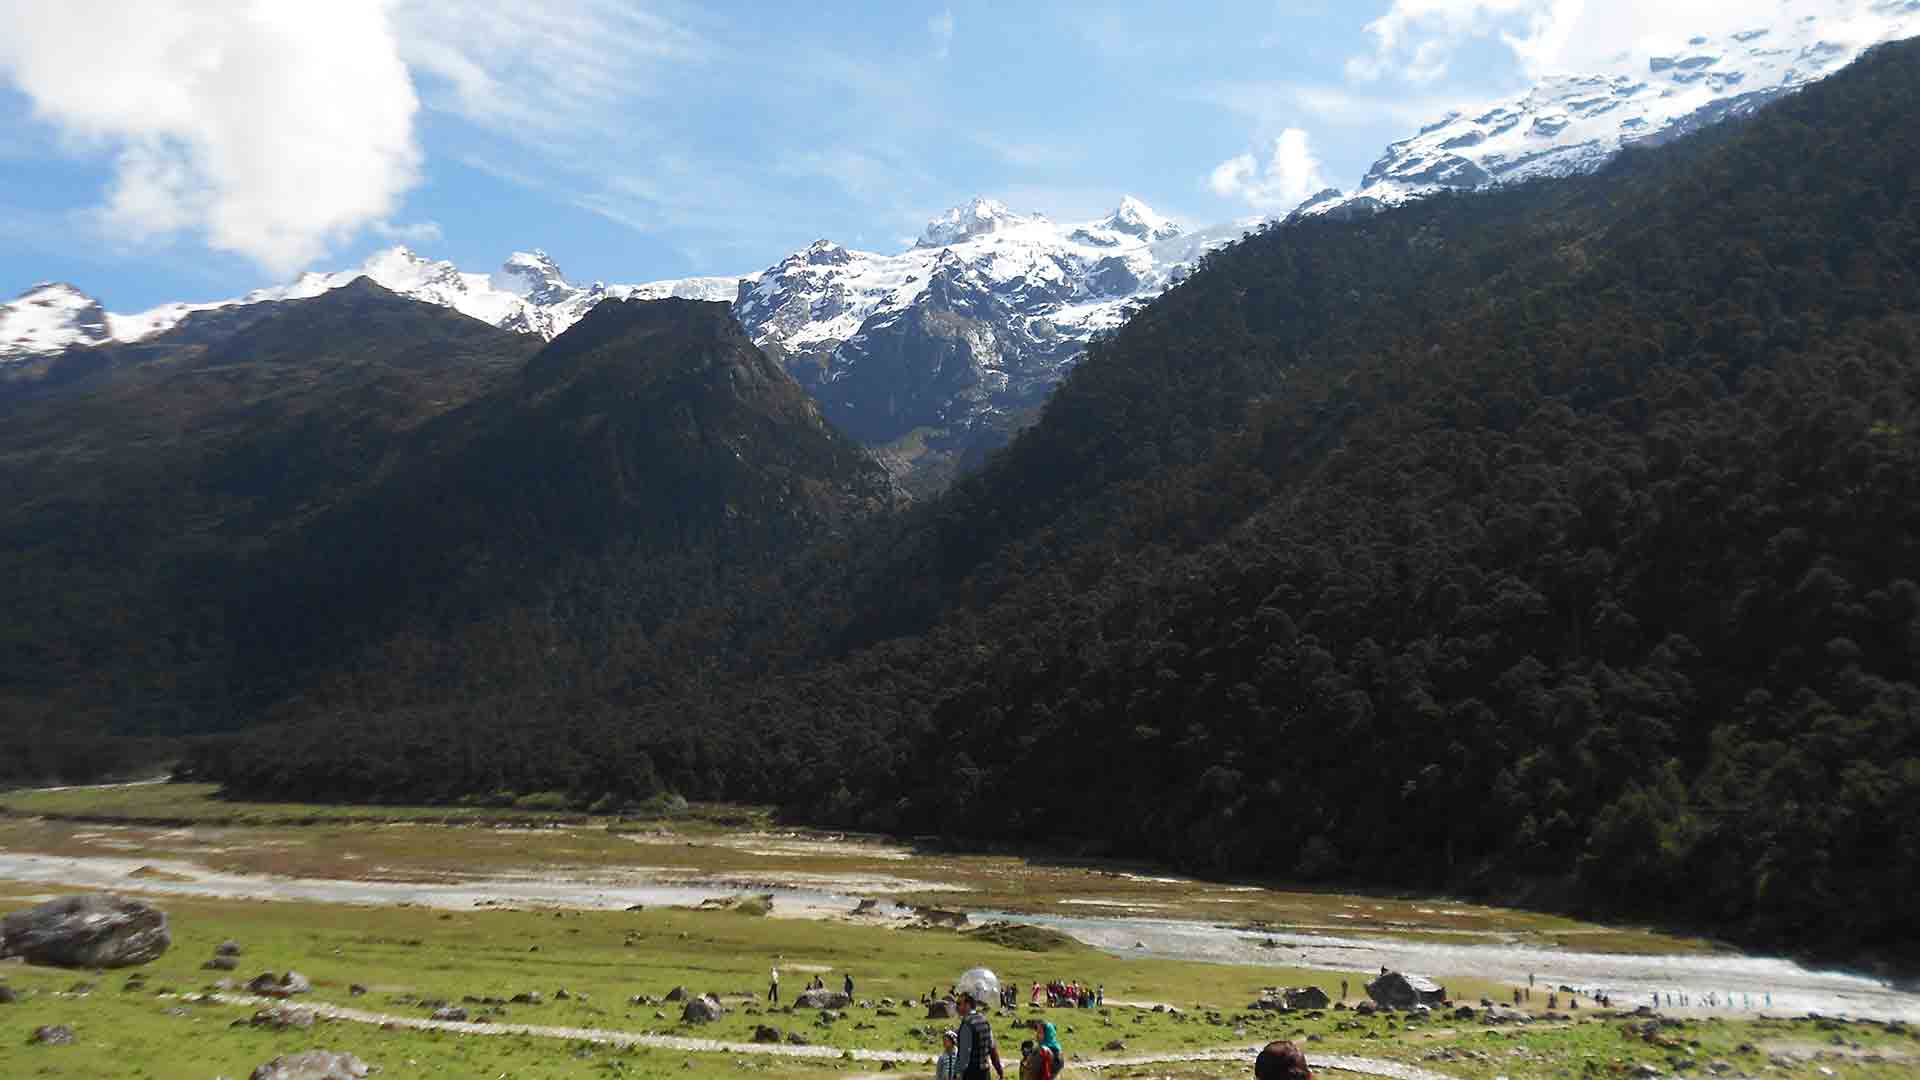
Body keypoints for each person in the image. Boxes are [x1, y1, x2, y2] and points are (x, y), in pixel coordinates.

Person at [955, 988, 1006, 1080]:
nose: (956, 1007)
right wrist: (999, 1070)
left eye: (959, 1003)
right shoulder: (984, 1020)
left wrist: (957, 1074)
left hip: (970, 1073)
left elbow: (964, 1055)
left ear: (968, 1005)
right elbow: (992, 1048)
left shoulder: (967, 1024)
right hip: (985, 1073)